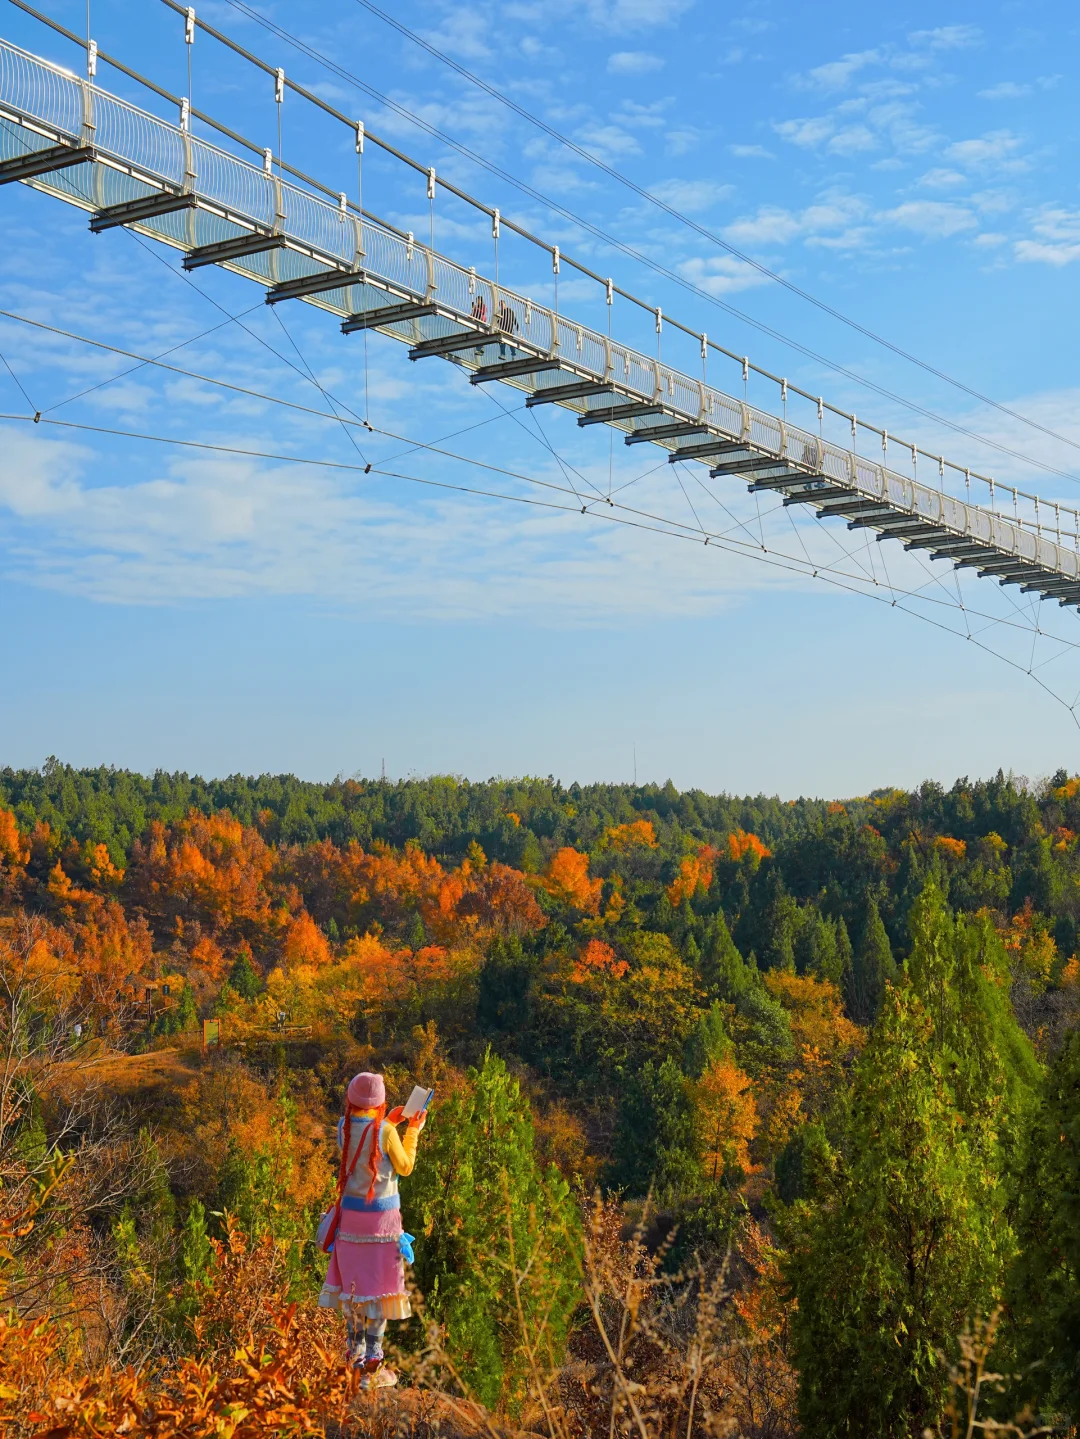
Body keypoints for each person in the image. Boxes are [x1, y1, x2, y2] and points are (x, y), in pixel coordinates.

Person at [318, 1072, 427, 1387]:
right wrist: (413, 1129)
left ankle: (353, 1361)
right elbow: (404, 1166)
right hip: (382, 1225)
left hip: (351, 1224)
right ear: (381, 1102)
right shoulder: (388, 1131)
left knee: (354, 1292)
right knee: (380, 1293)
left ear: (350, 1100)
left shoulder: (343, 1128)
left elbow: (367, 1138)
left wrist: (389, 1123)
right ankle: (373, 1368)